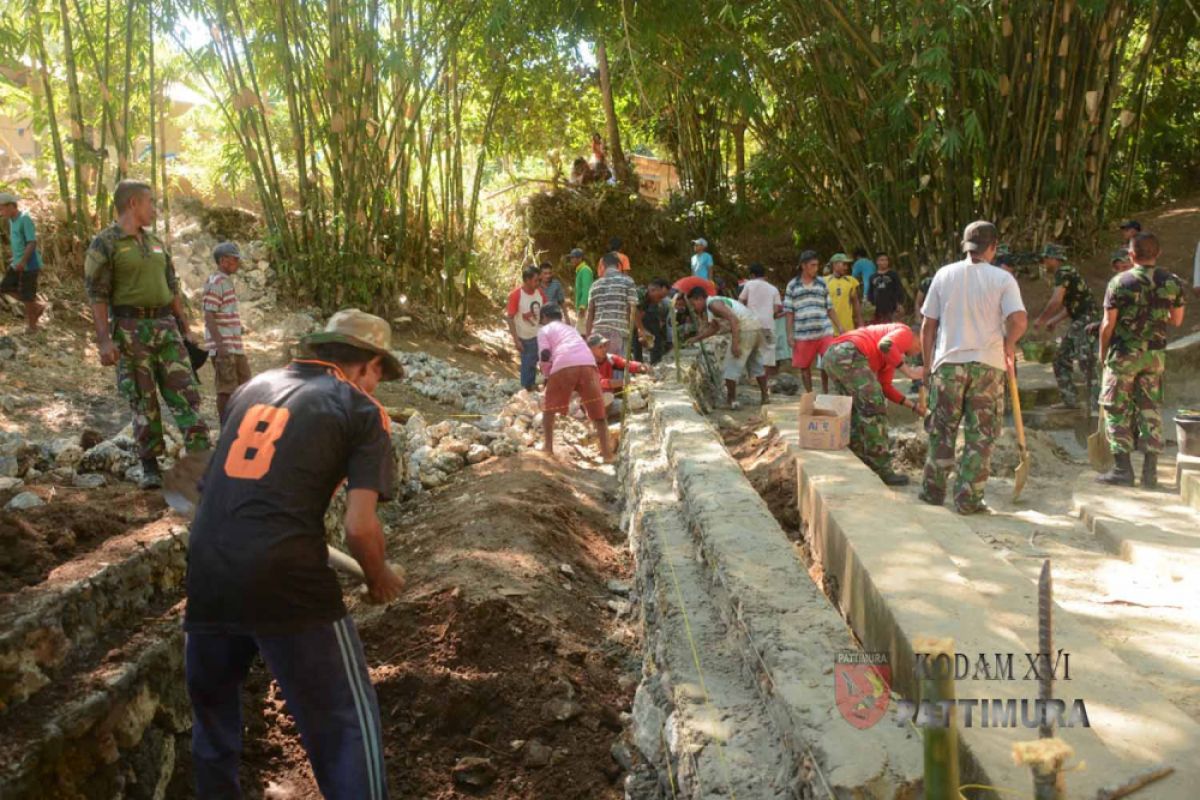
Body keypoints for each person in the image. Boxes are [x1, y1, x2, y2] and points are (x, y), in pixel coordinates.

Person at [184, 309, 405, 800]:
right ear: (367, 365)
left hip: (207, 565)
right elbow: (360, 527)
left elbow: (216, 488)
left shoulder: (252, 389)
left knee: (214, 717)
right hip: (288, 575)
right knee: (345, 722)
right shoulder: (360, 410)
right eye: (379, 377)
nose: (377, 388)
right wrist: (379, 576)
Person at [84, 179, 210, 490]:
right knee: (143, 398)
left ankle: (202, 462)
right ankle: (150, 466)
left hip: (166, 327)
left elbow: (172, 287)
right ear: (133, 204)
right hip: (129, 330)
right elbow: (97, 294)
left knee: (186, 393)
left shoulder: (155, 242)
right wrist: (103, 340)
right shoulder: (106, 243)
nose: (154, 208)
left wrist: (186, 327)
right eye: (150, 202)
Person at [919, 220, 1027, 515]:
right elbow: (1018, 320)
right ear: (993, 247)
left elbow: (928, 325)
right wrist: (1009, 344)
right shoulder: (1003, 279)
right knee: (981, 436)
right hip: (988, 367)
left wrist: (927, 369)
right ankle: (968, 499)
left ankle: (932, 493)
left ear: (965, 246)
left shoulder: (943, 275)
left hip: (948, 366)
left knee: (942, 431)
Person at [1096, 232, 1186, 488]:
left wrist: (1103, 354)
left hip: (1124, 355)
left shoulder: (1119, 282)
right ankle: (1150, 473)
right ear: (1157, 253)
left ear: (1132, 255)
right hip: (1154, 356)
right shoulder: (1172, 282)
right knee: (1150, 409)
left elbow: (1107, 324)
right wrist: (1154, 317)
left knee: (1116, 408)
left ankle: (1123, 470)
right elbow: (1177, 320)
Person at [824, 323, 926, 486]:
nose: (918, 352)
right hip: (848, 354)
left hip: (833, 356)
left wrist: (913, 407)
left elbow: (886, 387)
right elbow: (885, 345)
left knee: (857, 411)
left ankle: (859, 459)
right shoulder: (906, 332)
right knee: (876, 411)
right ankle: (882, 468)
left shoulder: (892, 357)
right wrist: (911, 372)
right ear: (918, 338)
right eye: (920, 346)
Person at [536, 305, 612, 461]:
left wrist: (547, 375)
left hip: (564, 363)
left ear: (544, 317)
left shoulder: (544, 330)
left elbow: (544, 354)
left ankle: (548, 448)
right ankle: (607, 454)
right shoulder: (571, 329)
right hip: (588, 364)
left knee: (549, 409)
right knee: (598, 412)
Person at [1033, 243, 1099, 409]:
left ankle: (1097, 405)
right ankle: (1070, 401)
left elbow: (1056, 301)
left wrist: (1041, 319)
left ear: (1054, 259)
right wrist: (1054, 320)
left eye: (1046, 259)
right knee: (1061, 358)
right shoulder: (1068, 273)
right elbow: (1073, 307)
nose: (1044, 263)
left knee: (1086, 361)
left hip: (1088, 321)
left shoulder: (1063, 272)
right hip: (1083, 318)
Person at [686, 287, 768, 408]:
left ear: (700, 299)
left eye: (694, 303)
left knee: (730, 367)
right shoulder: (714, 303)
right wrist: (697, 338)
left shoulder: (713, 305)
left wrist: (735, 344)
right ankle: (765, 396)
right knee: (756, 364)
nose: (694, 308)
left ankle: (732, 401)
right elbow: (715, 328)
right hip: (755, 327)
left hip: (745, 329)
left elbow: (734, 320)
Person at [203, 242, 252, 422]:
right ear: (223, 261)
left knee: (245, 383)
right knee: (226, 389)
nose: (237, 263)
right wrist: (220, 345)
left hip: (234, 346)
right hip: (224, 346)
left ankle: (240, 424)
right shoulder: (216, 282)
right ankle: (226, 427)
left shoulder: (225, 281)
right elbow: (209, 314)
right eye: (234, 260)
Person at [783, 250, 842, 393]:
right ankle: (810, 395)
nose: (816, 268)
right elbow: (789, 312)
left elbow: (829, 307)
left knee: (829, 361)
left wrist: (840, 326)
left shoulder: (822, 283)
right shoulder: (792, 286)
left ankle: (826, 392)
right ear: (803, 266)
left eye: (817, 265)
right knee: (804, 367)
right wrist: (790, 334)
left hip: (824, 330)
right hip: (803, 334)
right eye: (812, 265)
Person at [0, 192, 45, 333]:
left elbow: (31, 242)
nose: (0, 212)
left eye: (2, 208)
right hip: (18, 262)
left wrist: (23, 261)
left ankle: (32, 327)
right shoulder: (11, 221)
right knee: (4, 287)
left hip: (29, 264)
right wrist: (16, 258)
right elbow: (19, 243)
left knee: (28, 295)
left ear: (12, 206)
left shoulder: (25, 219)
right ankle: (37, 306)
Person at [588, 333, 652, 417]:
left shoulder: (609, 358)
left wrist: (640, 367)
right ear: (591, 350)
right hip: (592, 399)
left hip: (608, 396)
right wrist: (625, 381)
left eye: (604, 346)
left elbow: (624, 363)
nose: (604, 349)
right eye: (600, 347)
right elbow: (601, 382)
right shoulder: (588, 364)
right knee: (613, 400)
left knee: (623, 399)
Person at [587, 252, 638, 357]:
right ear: (619, 266)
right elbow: (632, 309)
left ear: (603, 266)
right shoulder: (628, 281)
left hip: (597, 333)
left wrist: (588, 337)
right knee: (617, 367)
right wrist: (640, 329)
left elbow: (590, 313)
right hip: (618, 332)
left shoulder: (595, 285)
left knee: (600, 369)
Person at [505, 265, 546, 392]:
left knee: (543, 362)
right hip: (526, 338)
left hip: (541, 334)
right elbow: (510, 318)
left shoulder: (539, 292)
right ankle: (527, 391)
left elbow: (546, 310)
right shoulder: (516, 295)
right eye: (536, 280)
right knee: (528, 365)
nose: (539, 283)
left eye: (539, 280)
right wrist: (516, 340)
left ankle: (537, 388)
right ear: (527, 280)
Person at [738, 263, 784, 376]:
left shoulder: (749, 284)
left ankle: (752, 377)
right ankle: (765, 378)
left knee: (750, 351)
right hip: (768, 326)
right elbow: (777, 308)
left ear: (752, 275)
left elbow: (740, 300)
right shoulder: (773, 289)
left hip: (751, 325)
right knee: (768, 351)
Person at [634, 277, 672, 364]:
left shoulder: (652, 301)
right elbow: (634, 312)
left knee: (654, 336)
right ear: (652, 289)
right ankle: (637, 364)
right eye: (660, 297)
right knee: (637, 337)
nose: (660, 300)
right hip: (624, 321)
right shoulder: (640, 294)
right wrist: (642, 330)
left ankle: (655, 363)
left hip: (636, 319)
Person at [826, 253, 863, 332]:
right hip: (829, 329)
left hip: (847, 327)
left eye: (847, 265)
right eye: (844, 264)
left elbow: (856, 303)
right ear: (835, 265)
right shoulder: (824, 281)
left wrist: (860, 323)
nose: (846, 267)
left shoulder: (851, 281)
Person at [868, 253, 906, 322]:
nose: (885, 262)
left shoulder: (893, 274)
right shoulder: (873, 277)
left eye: (886, 260)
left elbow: (899, 289)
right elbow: (870, 292)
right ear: (877, 262)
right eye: (882, 260)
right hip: (878, 308)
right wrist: (871, 305)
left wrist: (899, 303)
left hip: (892, 307)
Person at [570, 248, 593, 332]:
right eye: (571, 258)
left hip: (584, 309)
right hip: (581, 309)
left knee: (581, 335)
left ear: (580, 258)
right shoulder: (580, 271)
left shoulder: (585, 270)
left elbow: (586, 289)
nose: (572, 260)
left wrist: (582, 306)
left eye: (574, 258)